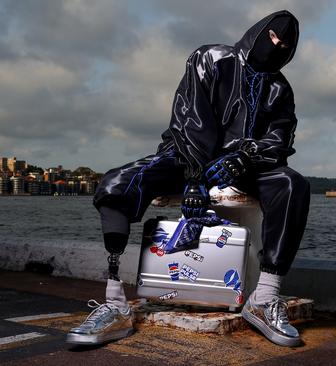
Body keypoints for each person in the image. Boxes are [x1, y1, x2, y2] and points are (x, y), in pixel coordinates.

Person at [66, 10, 310, 348]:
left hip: (243, 167)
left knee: (292, 184)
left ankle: (264, 298)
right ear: (257, 32)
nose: (276, 46)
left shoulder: (280, 89)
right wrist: (195, 177)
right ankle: (115, 304)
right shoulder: (212, 57)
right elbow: (190, 119)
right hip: (184, 155)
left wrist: (244, 157)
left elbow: (280, 138)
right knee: (116, 185)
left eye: (285, 45)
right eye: (272, 37)